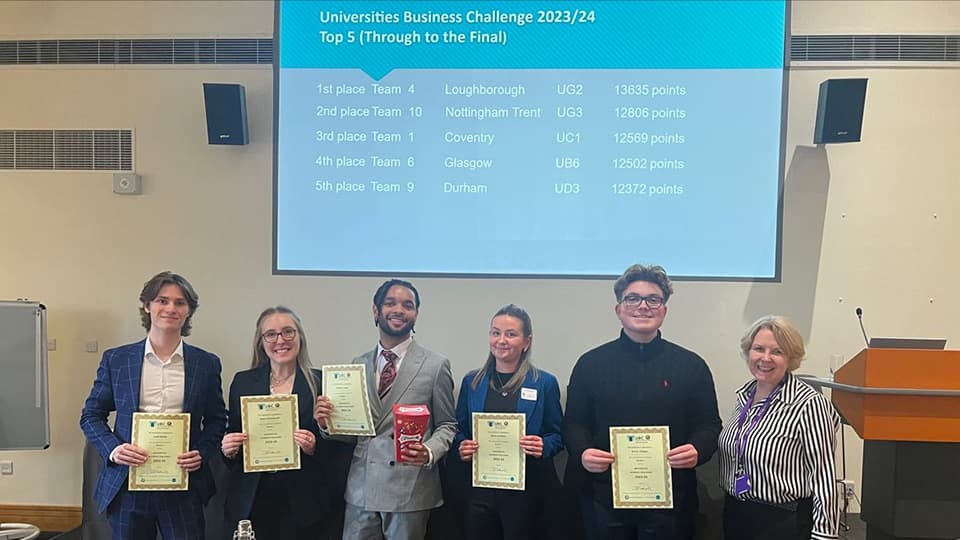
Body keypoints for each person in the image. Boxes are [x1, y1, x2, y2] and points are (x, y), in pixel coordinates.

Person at [562, 263, 722, 540]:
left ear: (664, 310)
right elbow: (574, 423)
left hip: (670, 502)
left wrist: (699, 449)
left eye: (653, 299)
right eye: (633, 298)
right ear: (619, 309)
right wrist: (583, 452)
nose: (643, 306)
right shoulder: (590, 364)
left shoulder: (691, 366)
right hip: (604, 498)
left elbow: (709, 425)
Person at [80, 271, 227, 540]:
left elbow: (218, 420)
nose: (171, 308)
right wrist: (114, 449)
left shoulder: (206, 364)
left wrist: (202, 453)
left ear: (188, 312)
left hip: (183, 485)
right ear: (147, 306)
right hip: (128, 485)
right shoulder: (117, 360)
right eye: (162, 300)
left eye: (180, 303)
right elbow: (91, 415)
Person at [313, 278, 457, 540]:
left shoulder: (436, 365)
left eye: (407, 305)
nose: (399, 310)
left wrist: (429, 451)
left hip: (410, 490)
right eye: (390, 303)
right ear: (376, 310)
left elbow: (448, 425)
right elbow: (356, 429)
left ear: (416, 313)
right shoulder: (358, 364)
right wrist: (327, 423)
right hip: (361, 489)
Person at [220, 306, 350, 540]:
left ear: (300, 337)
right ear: (261, 341)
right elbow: (235, 439)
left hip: (305, 501)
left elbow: (339, 448)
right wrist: (227, 449)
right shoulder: (243, 382)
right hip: (254, 497)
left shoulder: (321, 382)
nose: (280, 340)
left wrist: (314, 446)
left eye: (288, 332)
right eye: (271, 334)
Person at [718, 315, 840, 540]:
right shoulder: (744, 396)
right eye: (759, 349)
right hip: (736, 515)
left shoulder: (809, 404)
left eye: (777, 351)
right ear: (748, 352)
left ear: (790, 358)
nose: (765, 358)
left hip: (782, 521)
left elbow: (824, 476)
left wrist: (824, 536)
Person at [455, 304, 564, 540]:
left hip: (527, 493)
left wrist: (544, 446)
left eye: (511, 334)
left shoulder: (544, 383)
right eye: (495, 332)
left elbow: (558, 435)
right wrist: (462, 446)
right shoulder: (472, 382)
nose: (501, 340)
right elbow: (459, 430)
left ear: (527, 341)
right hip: (480, 491)